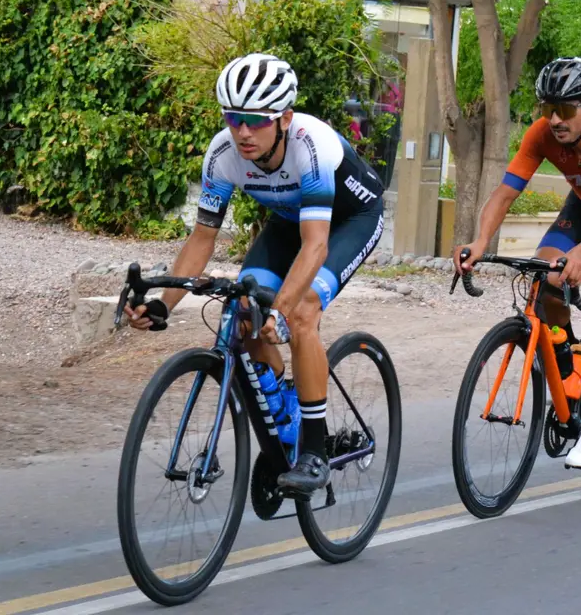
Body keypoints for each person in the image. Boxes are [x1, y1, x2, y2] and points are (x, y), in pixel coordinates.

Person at [124, 53, 386, 493]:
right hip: (289, 223)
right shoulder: (222, 155)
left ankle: (316, 451)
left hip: (348, 222)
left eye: (255, 120)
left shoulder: (310, 147)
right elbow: (202, 238)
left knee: (300, 313)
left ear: (283, 117)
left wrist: (281, 310)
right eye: (233, 118)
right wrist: (162, 304)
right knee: (244, 309)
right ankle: (283, 415)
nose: (243, 131)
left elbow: (316, 245)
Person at [453, 57, 581, 468]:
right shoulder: (542, 135)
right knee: (543, 279)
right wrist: (479, 241)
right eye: (547, 109)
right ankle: (572, 370)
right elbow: (504, 194)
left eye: (565, 110)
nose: (554, 120)